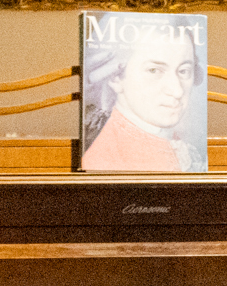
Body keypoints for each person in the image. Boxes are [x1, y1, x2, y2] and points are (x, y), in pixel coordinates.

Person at [80, 19, 204, 172]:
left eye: (184, 71)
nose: (177, 91)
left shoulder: (176, 145)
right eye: (154, 70)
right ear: (115, 77)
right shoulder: (104, 160)